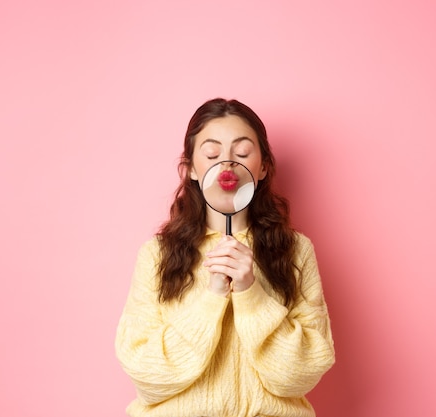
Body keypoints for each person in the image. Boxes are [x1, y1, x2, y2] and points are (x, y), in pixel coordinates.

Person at [115, 98, 335, 417]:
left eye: (242, 153)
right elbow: (147, 376)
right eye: (212, 153)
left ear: (262, 167)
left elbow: (300, 375)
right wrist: (212, 296)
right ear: (191, 167)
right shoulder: (156, 255)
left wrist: (252, 293)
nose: (228, 164)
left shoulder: (296, 250)